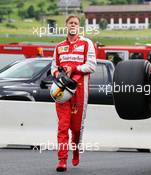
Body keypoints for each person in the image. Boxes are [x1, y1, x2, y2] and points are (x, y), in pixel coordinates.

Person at [51, 15, 97, 172]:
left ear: (79, 26)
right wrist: (59, 75)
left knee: (76, 128)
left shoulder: (86, 43)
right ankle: (62, 160)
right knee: (63, 126)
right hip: (62, 91)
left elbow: (91, 65)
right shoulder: (58, 46)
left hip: (79, 91)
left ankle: (76, 149)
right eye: (70, 23)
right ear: (66, 25)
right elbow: (53, 67)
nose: (73, 25)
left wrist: (74, 68)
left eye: (76, 23)